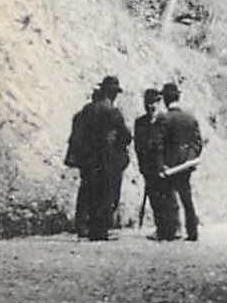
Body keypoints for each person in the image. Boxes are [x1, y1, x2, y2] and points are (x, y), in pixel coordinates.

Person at [64, 76, 132, 241]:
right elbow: (126, 136)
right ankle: (100, 230)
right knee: (106, 194)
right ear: (112, 93)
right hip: (107, 160)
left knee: (87, 190)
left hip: (88, 160)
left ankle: (82, 227)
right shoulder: (113, 112)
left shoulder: (86, 111)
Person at [158, 81, 203, 243]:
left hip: (170, 165)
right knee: (187, 198)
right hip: (185, 165)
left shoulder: (164, 119)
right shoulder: (190, 118)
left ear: (165, 99)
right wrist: (190, 159)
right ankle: (192, 232)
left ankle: (169, 232)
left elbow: (159, 144)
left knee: (169, 198)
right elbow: (198, 142)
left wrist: (161, 164)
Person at [133, 88, 180, 241]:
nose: (150, 106)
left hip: (165, 166)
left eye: (153, 103)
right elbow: (138, 146)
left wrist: (168, 165)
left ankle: (173, 229)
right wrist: (142, 165)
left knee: (168, 197)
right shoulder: (140, 123)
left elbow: (171, 145)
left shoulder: (165, 121)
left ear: (159, 103)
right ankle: (161, 229)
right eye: (147, 103)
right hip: (149, 167)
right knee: (155, 198)